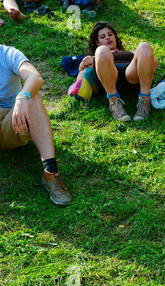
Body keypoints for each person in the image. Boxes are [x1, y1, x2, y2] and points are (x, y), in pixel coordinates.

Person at [0, 44, 73, 206]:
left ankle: (51, 172)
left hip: (12, 123)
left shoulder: (7, 54)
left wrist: (22, 97)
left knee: (32, 96)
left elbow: (35, 78)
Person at [79, 21, 157, 121]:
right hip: (108, 76)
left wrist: (148, 62)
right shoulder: (94, 57)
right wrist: (82, 65)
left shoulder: (128, 53)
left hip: (130, 74)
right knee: (102, 50)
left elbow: (142, 59)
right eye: (103, 37)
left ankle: (145, 101)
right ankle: (113, 102)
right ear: (97, 42)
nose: (108, 37)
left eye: (110, 34)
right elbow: (82, 76)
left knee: (144, 46)